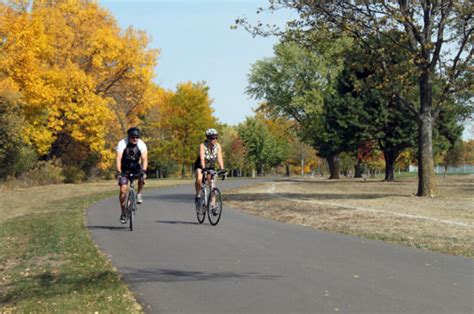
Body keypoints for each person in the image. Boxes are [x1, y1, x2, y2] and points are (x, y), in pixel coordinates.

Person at [116, 127, 148, 224]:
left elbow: (144, 159)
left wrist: (144, 170)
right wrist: (118, 171)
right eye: (133, 137)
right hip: (124, 169)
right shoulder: (122, 143)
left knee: (142, 177)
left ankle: (138, 194)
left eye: (137, 137)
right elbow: (118, 158)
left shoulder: (141, 144)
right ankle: (123, 212)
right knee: (123, 190)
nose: (135, 139)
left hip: (136, 168)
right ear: (129, 137)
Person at [194, 128, 224, 205]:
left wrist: (222, 169)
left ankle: (213, 205)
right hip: (200, 165)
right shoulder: (202, 145)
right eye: (212, 138)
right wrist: (203, 168)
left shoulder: (218, 146)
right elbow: (202, 158)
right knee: (199, 179)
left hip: (210, 166)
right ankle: (198, 195)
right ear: (207, 138)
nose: (214, 140)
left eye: (216, 137)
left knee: (212, 185)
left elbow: (219, 157)